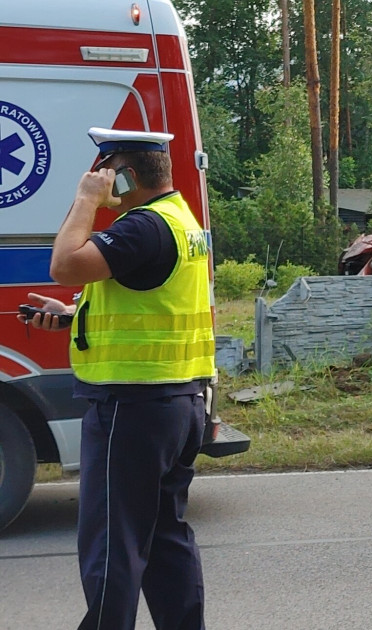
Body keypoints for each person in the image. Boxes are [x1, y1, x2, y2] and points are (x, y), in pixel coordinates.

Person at [22, 127, 214, 630]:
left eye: (103, 172)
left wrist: (86, 201)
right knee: (166, 539)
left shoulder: (141, 226)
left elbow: (65, 263)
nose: (96, 182)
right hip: (178, 403)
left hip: (132, 410)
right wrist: (71, 314)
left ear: (124, 176)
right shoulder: (179, 221)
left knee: (113, 548)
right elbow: (148, 300)